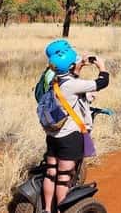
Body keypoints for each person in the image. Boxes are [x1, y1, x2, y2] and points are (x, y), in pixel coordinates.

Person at [41, 46, 109, 213]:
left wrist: (78, 66)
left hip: (52, 135)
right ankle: (62, 210)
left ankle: (47, 209)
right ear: (71, 66)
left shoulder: (54, 81)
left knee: (51, 173)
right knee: (64, 178)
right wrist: (102, 67)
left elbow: (70, 79)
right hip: (68, 137)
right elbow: (102, 82)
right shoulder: (72, 85)